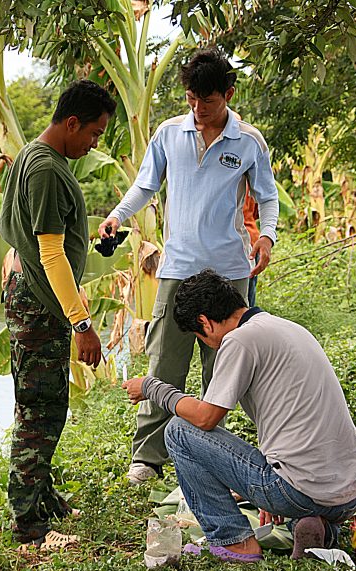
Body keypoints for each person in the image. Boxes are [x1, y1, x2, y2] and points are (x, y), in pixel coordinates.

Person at [98, 48, 280, 484]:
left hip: (229, 273)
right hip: (177, 269)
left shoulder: (248, 140)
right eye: (191, 99)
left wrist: (268, 237)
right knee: (164, 361)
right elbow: (145, 185)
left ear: (229, 95)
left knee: (225, 368)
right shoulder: (168, 133)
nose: (199, 109)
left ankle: (212, 456)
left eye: (209, 101)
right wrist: (117, 216)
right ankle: (148, 456)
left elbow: (268, 196)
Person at [123, 269, 356, 561]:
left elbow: (205, 418)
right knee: (294, 492)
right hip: (350, 495)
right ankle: (321, 529)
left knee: (178, 431)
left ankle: (234, 541)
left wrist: (153, 387)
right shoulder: (286, 327)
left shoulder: (239, 340)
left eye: (197, 335)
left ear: (204, 322)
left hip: (302, 491)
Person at [0, 79, 117, 548]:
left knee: (44, 403)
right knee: (40, 410)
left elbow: (51, 238)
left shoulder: (33, 154)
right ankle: (29, 528)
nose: (93, 144)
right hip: (40, 304)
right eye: (93, 134)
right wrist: (82, 324)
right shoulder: (47, 169)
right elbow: (49, 254)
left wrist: (90, 243)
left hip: (32, 296)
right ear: (71, 123)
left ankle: (42, 497)